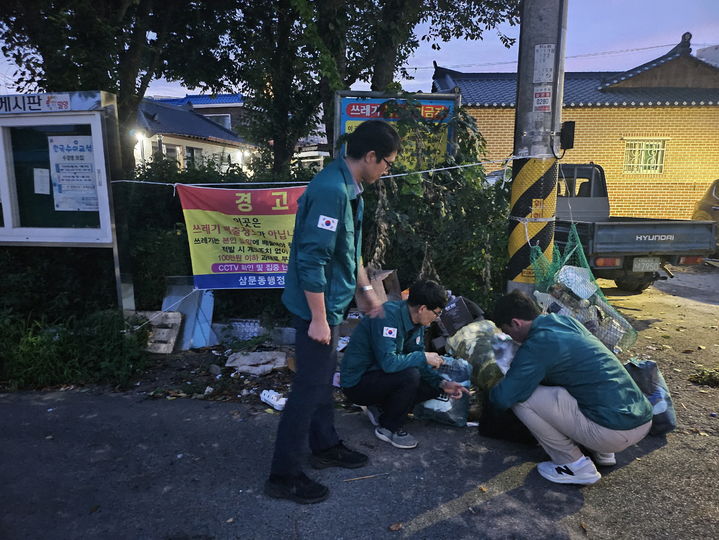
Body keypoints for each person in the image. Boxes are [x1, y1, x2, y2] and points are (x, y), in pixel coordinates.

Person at [265, 120, 401, 505]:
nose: (387, 170)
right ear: (370, 156)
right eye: (387, 163)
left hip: (333, 304)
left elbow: (350, 250)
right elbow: (312, 260)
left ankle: (324, 445)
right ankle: (283, 474)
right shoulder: (330, 191)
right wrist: (320, 319)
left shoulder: (349, 188)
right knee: (308, 388)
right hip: (317, 308)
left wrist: (365, 293)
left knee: (323, 379)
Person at [489, 290, 653, 485]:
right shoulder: (565, 322)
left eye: (509, 333)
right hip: (641, 419)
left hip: (612, 431)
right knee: (575, 380)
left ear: (516, 323)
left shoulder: (538, 344)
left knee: (522, 399)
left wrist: (493, 386)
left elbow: (503, 398)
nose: (513, 339)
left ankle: (574, 466)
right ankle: (603, 453)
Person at [341, 280, 470, 449]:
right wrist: (422, 356)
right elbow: (389, 363)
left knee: (431, 387)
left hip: (380, 377)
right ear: (422, 308)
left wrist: (442, 383)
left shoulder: (418, 322)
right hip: (358, 383)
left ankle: (381, 407)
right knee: (410, 376)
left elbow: (418, 361)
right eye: (436, 313)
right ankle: (389, 428)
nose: (437, 318)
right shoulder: (387, 316)